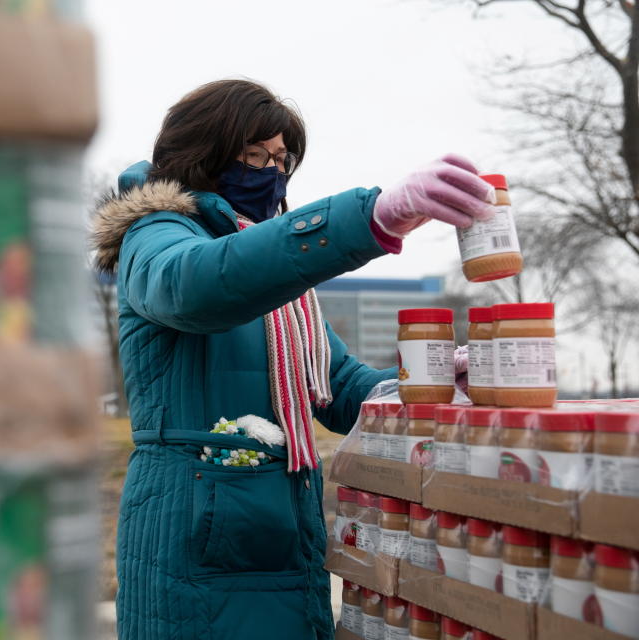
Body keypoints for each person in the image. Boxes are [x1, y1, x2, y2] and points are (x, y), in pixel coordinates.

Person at [91, 79, 493, 640]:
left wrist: (422, 380)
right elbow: (197, 287)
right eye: (253, 155)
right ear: (201, 152)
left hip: (281, 529)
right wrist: (368, 217)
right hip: (193, 538)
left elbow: (337, 385)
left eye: (281, 160)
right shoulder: (156, 234)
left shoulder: (274, 272)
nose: (271, 174)